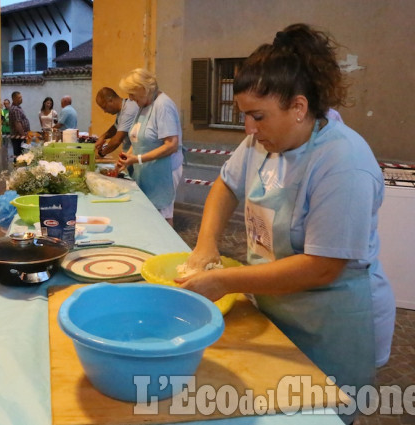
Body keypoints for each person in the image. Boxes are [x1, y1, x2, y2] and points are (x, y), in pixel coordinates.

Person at [175, 24, 395, 424]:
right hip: (278, 305)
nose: (249, 130)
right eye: (245, 117)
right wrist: (206, 245)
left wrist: (226, 280)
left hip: (331, 321)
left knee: (317, 412)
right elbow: (226, 184)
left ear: (298, 107)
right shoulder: (261, 142)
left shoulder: (344, 164)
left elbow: (323, 266)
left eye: (258, 117)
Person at [116, 68, 184, 226]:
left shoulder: (163, 106)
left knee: (162, 218)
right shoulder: (144, 105)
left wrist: (137, 158)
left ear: (143, 89)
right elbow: (139, 138)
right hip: (148, 170)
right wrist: (127, 158)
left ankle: (165, 248)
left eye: (132, 94)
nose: (130, 98)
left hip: (163, 172)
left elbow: (171, 145)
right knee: (149, 217)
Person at [94, 87, 139, 158]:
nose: (105, 111)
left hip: (135, 156)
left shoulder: (128, 111)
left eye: (104, 107)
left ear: (111, 101)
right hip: (129, 154)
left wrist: (101, 153)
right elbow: (116, 127)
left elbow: (117, 140)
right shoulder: (122, 110)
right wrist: (103, 137)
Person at [8, 91, 30, 158]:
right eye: (19, 97)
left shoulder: (18, 108)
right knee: (20, 156)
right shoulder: (15, 110)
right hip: (19, 137)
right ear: (14, 99)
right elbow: (17, 124)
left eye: (21, 97)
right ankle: (19, 168)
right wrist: (23, 135)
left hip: (20, 136)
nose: (21, 99)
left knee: (22, 154)